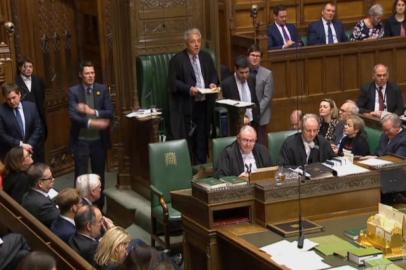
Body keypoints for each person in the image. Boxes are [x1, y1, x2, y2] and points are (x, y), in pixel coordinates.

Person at [168, 28, 219, 164]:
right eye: (192, 42)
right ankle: (189, 168)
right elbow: (173, 82)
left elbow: (213, 74)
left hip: (204, 104)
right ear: (186, 43)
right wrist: (189, 89)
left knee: (202, 137)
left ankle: (201, 167)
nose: (196, 44)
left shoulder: (206, 57)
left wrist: (213, 83)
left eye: (198, 41)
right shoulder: (177, 60)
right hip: (187, 107)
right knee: (189, 139)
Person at [68, 60, 114, 209]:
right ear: (81, 75)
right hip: (81, 141)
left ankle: (99, 209)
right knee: (80, 177)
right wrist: (91, 123)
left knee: (99, 175)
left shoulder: (102, 89)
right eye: (87, 73)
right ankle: (79, 209)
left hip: (98, 141)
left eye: (92, 73)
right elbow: (73, 115)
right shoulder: (74, 91)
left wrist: (92, 112)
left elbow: (110, 112)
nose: (90, 76)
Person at [0, 83, 44, 161]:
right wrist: (21, 145)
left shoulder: (31, 106)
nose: (11, 101)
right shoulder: (1, 111)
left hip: (32, 152)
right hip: (13, 155)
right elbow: (2, 134)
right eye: (8, 99)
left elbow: (38, 127)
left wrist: (29, 145)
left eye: (13, 97)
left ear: (19, 94)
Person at [15, 57, 47, 162]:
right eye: (26, 67)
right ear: (20, 68)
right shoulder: (16, 82)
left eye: (30, 66)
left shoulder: (38, 80)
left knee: (40, 153)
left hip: (39, 121)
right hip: (25, 122)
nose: (29, 69)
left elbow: (42, 98)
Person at [221, 55, 259, 126]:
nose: (244, 75)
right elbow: (227, 107)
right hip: (235, 124)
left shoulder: (252, 79)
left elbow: (255, 100)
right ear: (235, 69)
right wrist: (240, 118)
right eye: (241, 73)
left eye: (247, 72)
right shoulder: (227, 84)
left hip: (252, 122)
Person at [247, 44, 274, 146]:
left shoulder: (267, 74)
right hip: (246, 115)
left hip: (261, 115)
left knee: (260, 143)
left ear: (261, 58)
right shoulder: (244, 72)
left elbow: (267, 97)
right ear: (248, 56)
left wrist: (256, 112)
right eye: (252, 55)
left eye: (257, 56)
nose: (255, 58)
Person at [21, 163, 60, 228]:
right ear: (40, 183)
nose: (53, 179)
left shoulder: (27, 195)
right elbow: (59, 219)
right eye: (50, 178)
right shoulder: (44, 205)